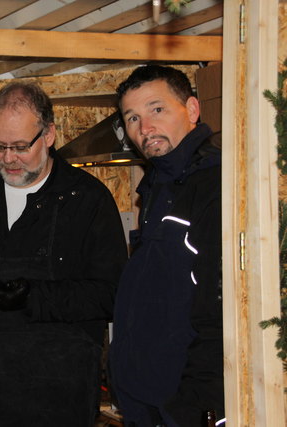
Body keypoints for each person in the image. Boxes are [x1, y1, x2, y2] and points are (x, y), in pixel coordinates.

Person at [0, 82, 127, 426]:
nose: (8, 158)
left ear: (49, 135)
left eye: (20, 146)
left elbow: (111, 293)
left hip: (58, 393)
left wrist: (33, 297)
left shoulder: (87, 201)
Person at [109, 65, 224, 426]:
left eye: (157, 109)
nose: (144, 128)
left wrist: (196, 410)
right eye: (132, 118)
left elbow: (220, 315)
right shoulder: (158, 187)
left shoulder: (214, 185)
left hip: (183, 406)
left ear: (192, 109)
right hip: (147, 401)